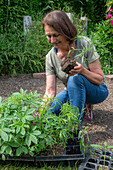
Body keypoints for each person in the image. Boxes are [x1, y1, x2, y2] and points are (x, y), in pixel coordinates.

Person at [41, 10, 109, 123]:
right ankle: (43, 123)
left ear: (65, 32)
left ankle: (74, 129)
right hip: (72, 91)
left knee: (75, 77)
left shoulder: (84, 44)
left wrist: (82, 71)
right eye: (48, 36)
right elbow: (49, 92)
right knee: (52, 110)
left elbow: (99, 79)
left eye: (55, 35)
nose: (52, 40)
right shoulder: (50, 57)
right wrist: (40, 114)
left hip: (97, 91)